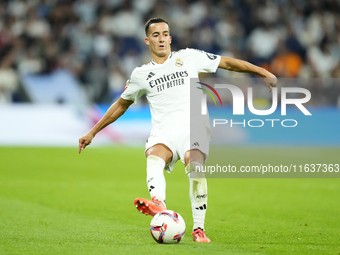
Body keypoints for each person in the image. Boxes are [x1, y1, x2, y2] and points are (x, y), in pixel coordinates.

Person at [78, 17, 277, 243]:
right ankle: (158, 203)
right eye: (156, 35)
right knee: (154, 156)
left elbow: (227, 63)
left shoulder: (189, 57)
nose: (161, 38)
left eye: (165, 34)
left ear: (170, 38)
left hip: (194, 126)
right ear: (147, 40)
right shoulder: (140, 75)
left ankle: (198, 229)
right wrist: (92, 132)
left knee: (195, 166)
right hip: (164, 130)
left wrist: (263, 72)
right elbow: (121, 105)